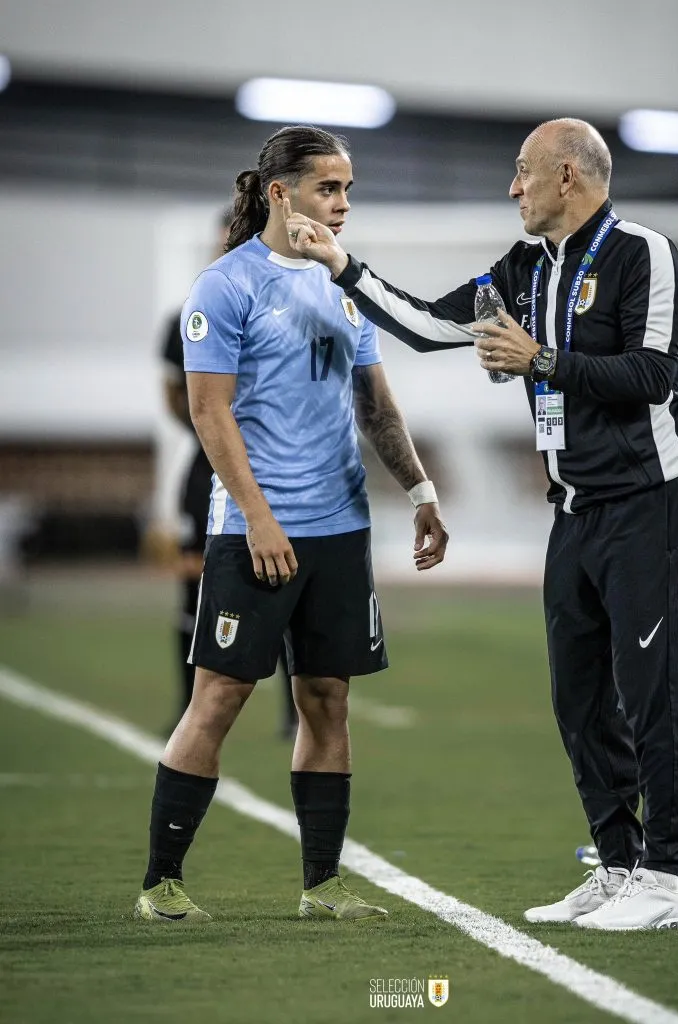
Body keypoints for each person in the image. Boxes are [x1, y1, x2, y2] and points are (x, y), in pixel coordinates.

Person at [286, 118, 678, 931]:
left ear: (568, 176)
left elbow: (656, 374)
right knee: (578, 696)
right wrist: (342, 266)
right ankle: (618, 865)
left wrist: (541, 360)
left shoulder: (641, 253)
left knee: (654, 693)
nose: (512, 188)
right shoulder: (521, 270)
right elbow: (429, 325)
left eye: (523, 171)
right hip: (573, 506)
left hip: (649, 501)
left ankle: (665, 879)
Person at [133, 125, 448, 924]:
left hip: (340, 528)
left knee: (327, 698)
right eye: (327, 188)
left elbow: (376, 406)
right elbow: (208, 415)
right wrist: (258, 517)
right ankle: (160, 883)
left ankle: (322, 885)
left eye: (347, 190)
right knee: (220, 697)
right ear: (280, 192)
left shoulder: (346, 281)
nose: (341, 204)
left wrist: (419, 491)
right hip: (255, 530)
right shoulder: (225, 286)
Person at [158, 209, 298, 740]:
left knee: (283, 580)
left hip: (277, 469)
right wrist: (215, 428)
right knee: (192, 582)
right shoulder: (190, 314)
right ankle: (187, 706)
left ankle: (296, 711)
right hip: (208, 467)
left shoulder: (290, 310)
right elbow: (178, 396)